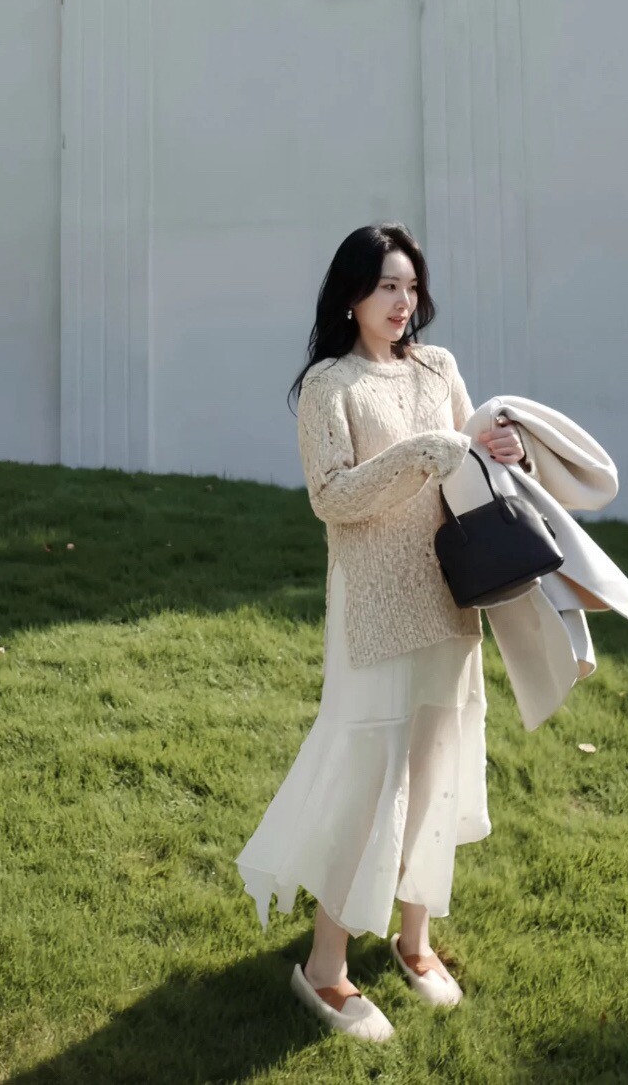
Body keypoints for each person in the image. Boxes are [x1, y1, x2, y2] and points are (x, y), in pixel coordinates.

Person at [235, 222, 527, 1042]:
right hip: (372, 606)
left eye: (410, 285)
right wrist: (429, 449)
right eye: (386, 285)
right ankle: (325, 966)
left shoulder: (439, 367)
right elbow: (331, 496)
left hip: (451, 594)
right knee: (370, 782)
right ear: (352, 295)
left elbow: (470, 465)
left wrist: (503, 451)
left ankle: (414, 940)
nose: (403, 301)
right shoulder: (328, 385)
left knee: (436, 769)